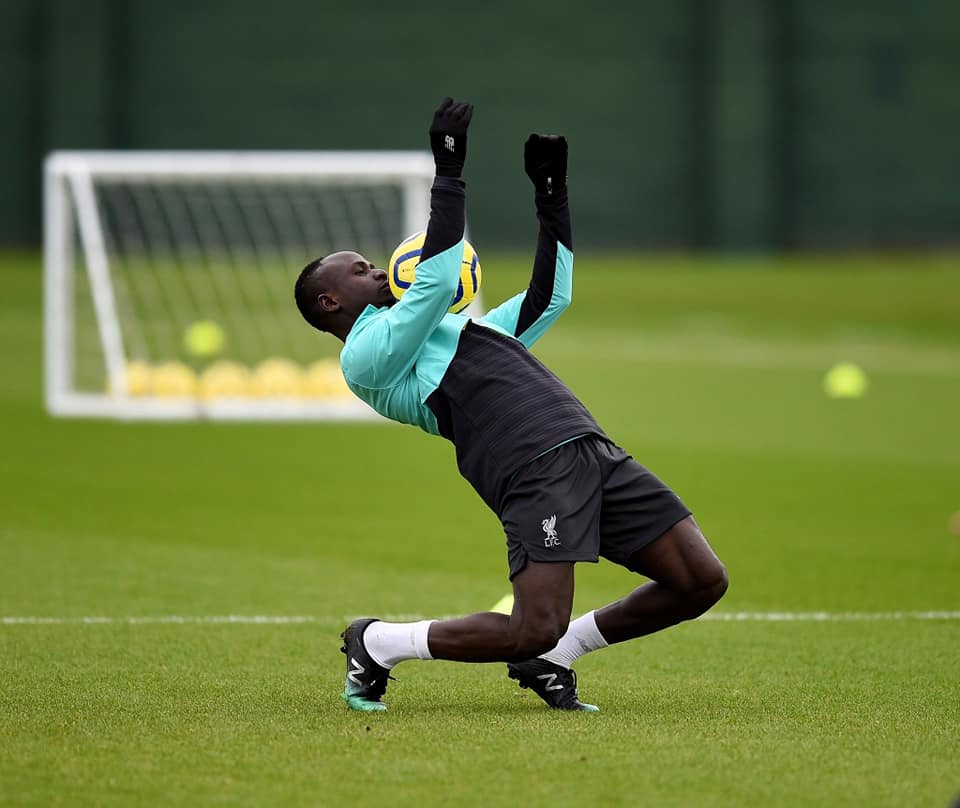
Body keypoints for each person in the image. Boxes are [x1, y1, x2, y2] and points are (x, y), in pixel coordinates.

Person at [294, 97, 728, 712]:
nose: (376, 270)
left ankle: (559, 654)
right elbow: (438, 280)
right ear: (331, 305)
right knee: (531, 625)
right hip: (529, 465)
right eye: (360, 271)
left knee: (699, 580)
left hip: (588, 449)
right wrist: (448, 167)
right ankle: (380, 641)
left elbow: (549, 297)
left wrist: (551, 196)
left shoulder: (455, 330)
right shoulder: (367, 358)